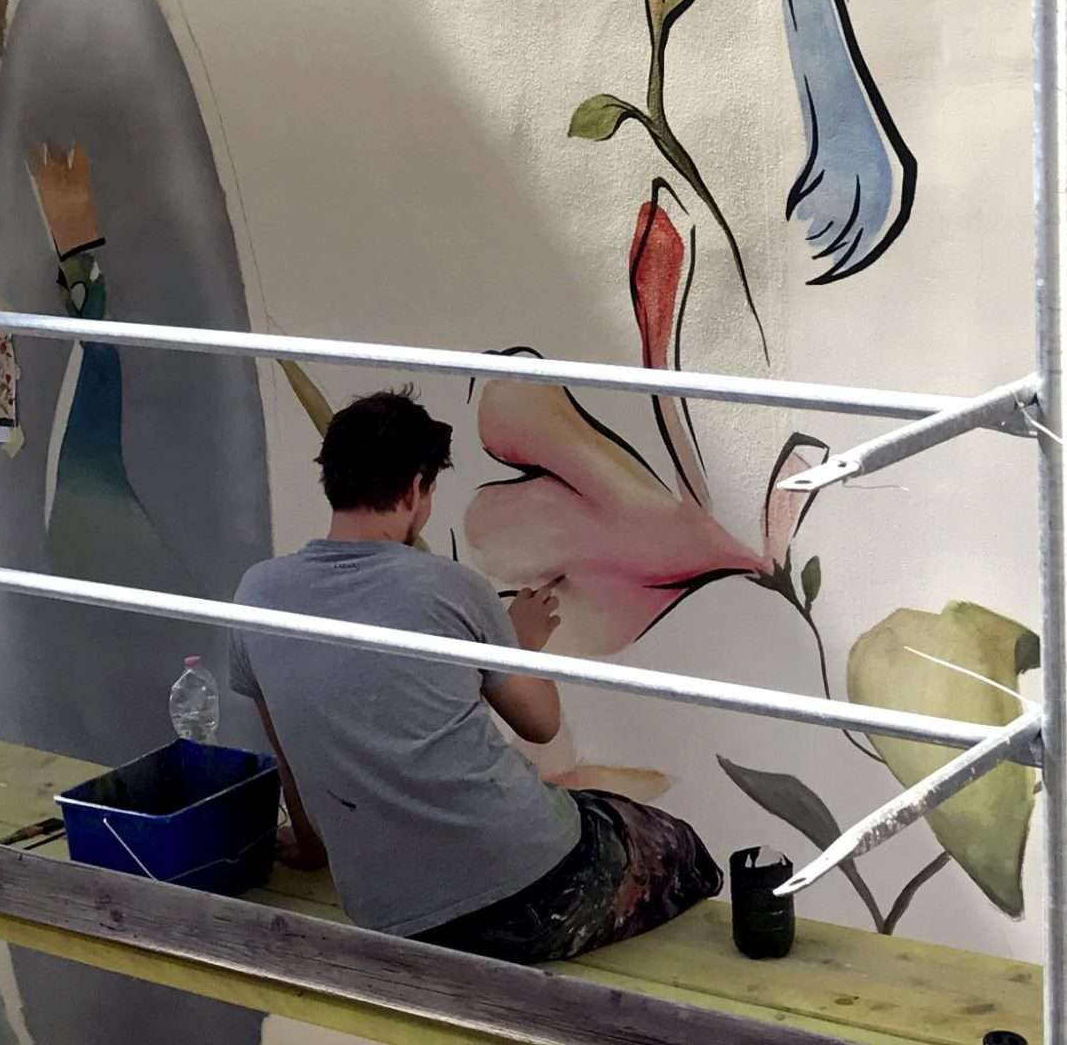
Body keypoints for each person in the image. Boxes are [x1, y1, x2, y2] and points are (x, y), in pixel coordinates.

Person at [228, 389, 722, 963]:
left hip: (390, 916)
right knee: (680, 850)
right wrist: (521, 643)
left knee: (585, 807)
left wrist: (313, 849)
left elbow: (292, 753)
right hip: (532, 893)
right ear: (416, 488)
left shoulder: (257, 594)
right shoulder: (450, 587)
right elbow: (540, 723)